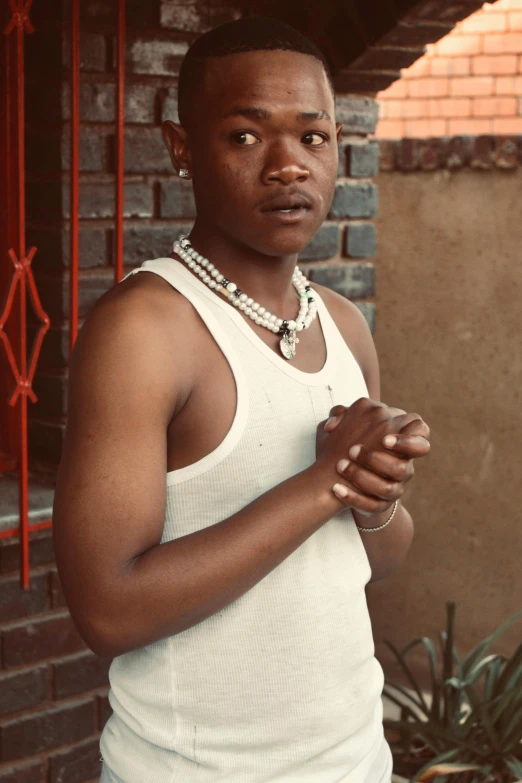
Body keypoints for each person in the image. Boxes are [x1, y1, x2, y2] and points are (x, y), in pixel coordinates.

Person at [52, 16, 431, 783]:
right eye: (247, 137)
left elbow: (380, 558)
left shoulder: (345, 325)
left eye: (313, 138)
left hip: (354, 759)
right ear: (184, 148)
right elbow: (107, 610)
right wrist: (323, 482)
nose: (289, 166)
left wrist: (371, 490)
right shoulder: (147, 329)